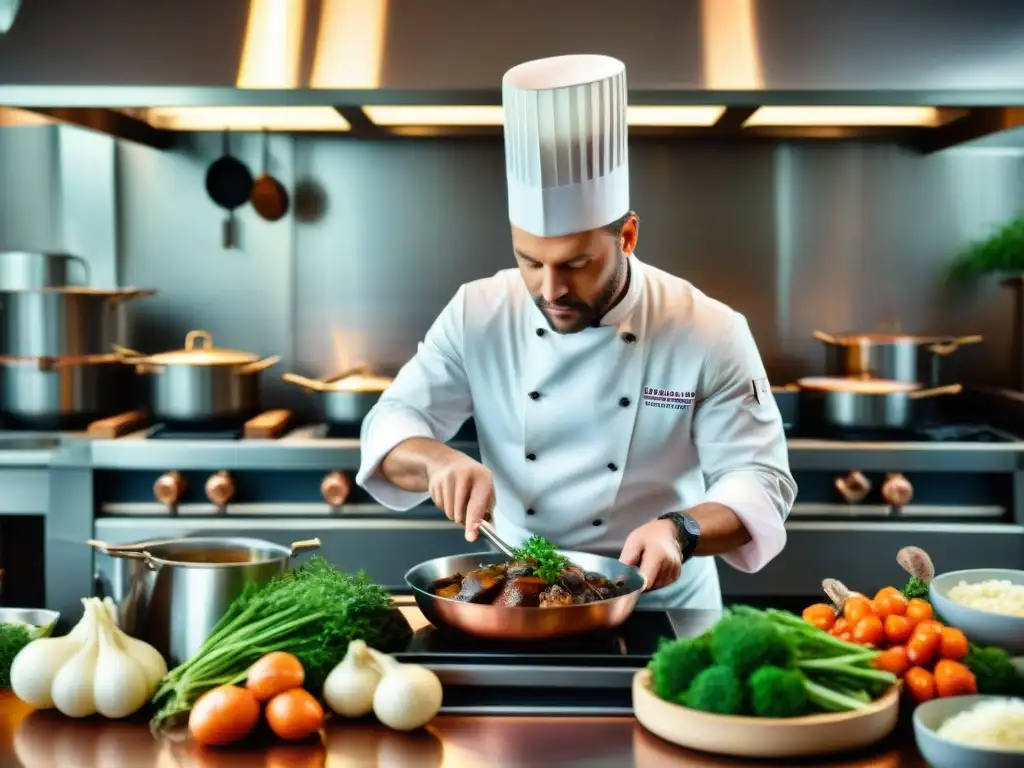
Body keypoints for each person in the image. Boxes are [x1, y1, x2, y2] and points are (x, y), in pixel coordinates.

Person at [356, 54, 797, 609]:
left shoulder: (708, 329)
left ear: (628, 235)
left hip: (663, 605)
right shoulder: (477, 312)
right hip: (518, 601)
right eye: (529, 261)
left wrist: (680, 531)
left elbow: (758, 481)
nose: (549, 289)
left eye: (576, 263)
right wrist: (438, 460)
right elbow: (390, 427)